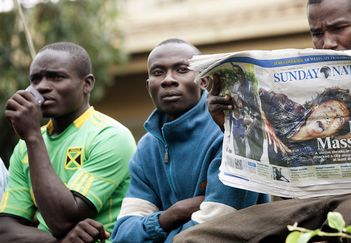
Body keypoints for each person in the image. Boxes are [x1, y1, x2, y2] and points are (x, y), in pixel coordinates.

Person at [174, 0, 351, 242]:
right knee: (196, 238)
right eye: (317, 33)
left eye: (338, 28)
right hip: (307, 202)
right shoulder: (304, 83)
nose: (327, 43)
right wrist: (228, 121)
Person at [111, 38, 268, 243]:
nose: (168, 80)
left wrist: (153, 233)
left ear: (203, 81)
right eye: (158, 73)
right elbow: (123, 235)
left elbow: (217, 229)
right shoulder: (146, 148)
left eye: (182, 70)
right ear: (149, 86)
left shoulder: (230, 132)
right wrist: (172, 214)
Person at [0, 42, 136, 242]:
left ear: (87, 84)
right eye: (35, 79)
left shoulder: (111, 136)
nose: (43, 86)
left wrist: (32, 136)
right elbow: (5, 229)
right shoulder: (25, 146)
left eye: (56, 77)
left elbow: (61, 220)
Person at [260, 87, 351, 167]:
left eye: (340, 119)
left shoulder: (316, 158)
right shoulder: (288, 108)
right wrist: (264, 120)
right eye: (331, 109)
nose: (331, 118)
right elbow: (254, 92)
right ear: (315, 107)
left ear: (335, 133)